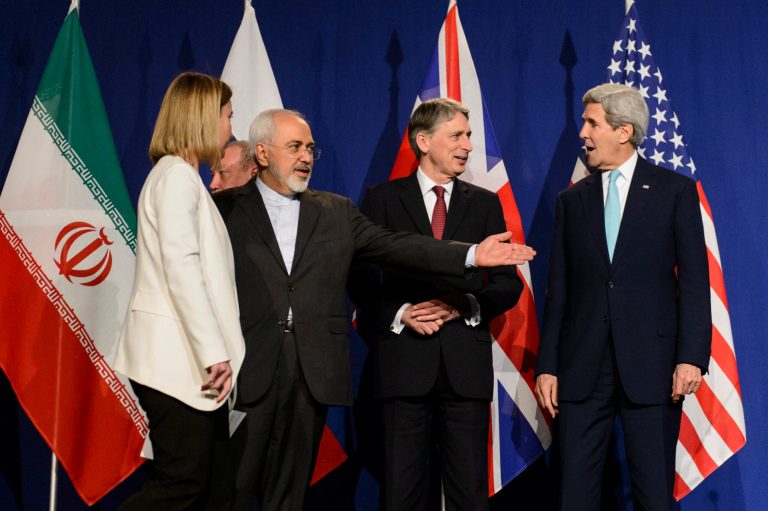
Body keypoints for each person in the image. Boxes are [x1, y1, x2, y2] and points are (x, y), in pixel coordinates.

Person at [213, 108, 535, 511]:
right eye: (295, 147)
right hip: (246, 369)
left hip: (309, 374)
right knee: (230, 489)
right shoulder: (220, 209)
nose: (306, 157)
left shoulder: (335, 210)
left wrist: (470, 254)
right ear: (261, 153)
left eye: (311, 148)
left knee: (289, 495)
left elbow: (399, 246)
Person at [535, 83, 711, 511]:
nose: (583, 133)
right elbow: (560, 290)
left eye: (592, 123)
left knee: (653, 494)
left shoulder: (674, 191)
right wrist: (548, 366)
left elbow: (693, 281)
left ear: (624, 131)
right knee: (574, 494)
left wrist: (691, 357)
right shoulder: (571, 201)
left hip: (651, 368)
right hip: (581, 369)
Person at [348, 98, 523, 510]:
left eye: (469, 136)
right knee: (402, 491)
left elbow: (506, 285)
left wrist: (464, 304)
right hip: (403, 364)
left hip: (464, 369)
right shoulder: (383, 199)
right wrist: (400, 313)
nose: (466, 145)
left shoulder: (483, 203)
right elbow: (359, 276)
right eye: (457, 135)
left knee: (467, 493)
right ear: (423, 141)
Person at [114, 72, 245, 510]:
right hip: (177, 361)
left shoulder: (180, 177)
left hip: (188, 364)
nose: (231, 126)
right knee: (184, 483)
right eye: (227, 115)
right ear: (203, 118)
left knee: (211, 488)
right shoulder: (175, 177)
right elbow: (182, 267)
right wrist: (213, 351)